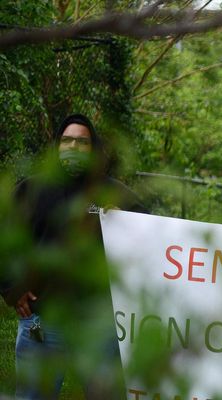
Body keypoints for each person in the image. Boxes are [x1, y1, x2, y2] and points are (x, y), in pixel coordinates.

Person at [5, 114, 140, 399]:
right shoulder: (31, 190)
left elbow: (151, 236)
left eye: (82, 142)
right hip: (41, 324)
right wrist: (11, 290)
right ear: (56, 146)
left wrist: (125, 221)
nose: (73, 147)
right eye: (66, 141)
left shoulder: (112, 194)